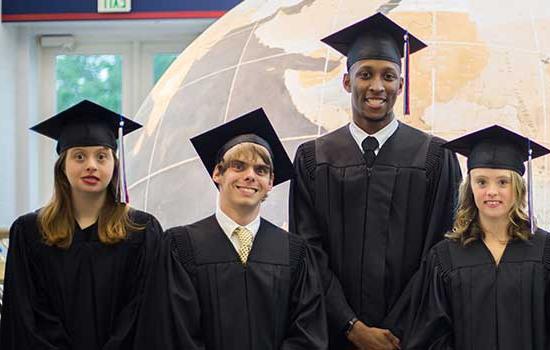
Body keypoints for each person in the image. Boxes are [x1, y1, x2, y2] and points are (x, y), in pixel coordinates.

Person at [289, 12, 461, 349]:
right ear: (346, 81)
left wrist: (395, 331)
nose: (377, 86)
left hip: (411, 338)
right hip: (334, 335)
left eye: (388, 76)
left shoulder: (434, 157)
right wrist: (352, 327)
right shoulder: (314, 158)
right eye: (365, 74)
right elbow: (309, 253)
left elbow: (441, 250)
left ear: (401, 83)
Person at [136, 108, 327, 349]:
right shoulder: (181, 247)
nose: (250, 176)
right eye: (239, 166)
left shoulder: (294, 253)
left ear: (270, 183)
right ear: (218, 173)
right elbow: (173, 331)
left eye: (261, 170)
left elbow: (308, 334)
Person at [404, 125, 550, 349]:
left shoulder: (549, 252)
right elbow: (431, 337)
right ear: (470, 187)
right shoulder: (445, 258)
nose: (492, 191)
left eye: (503, 182)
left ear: (518, 187)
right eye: (482, 182)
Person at [0, 100, 163, 349]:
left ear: (114, 165)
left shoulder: (141, 230)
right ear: (62, 167)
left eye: (101, 156)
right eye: (79, 156)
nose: (91, 165)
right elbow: (24, 315)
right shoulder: (29, 232)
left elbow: (145, 309)